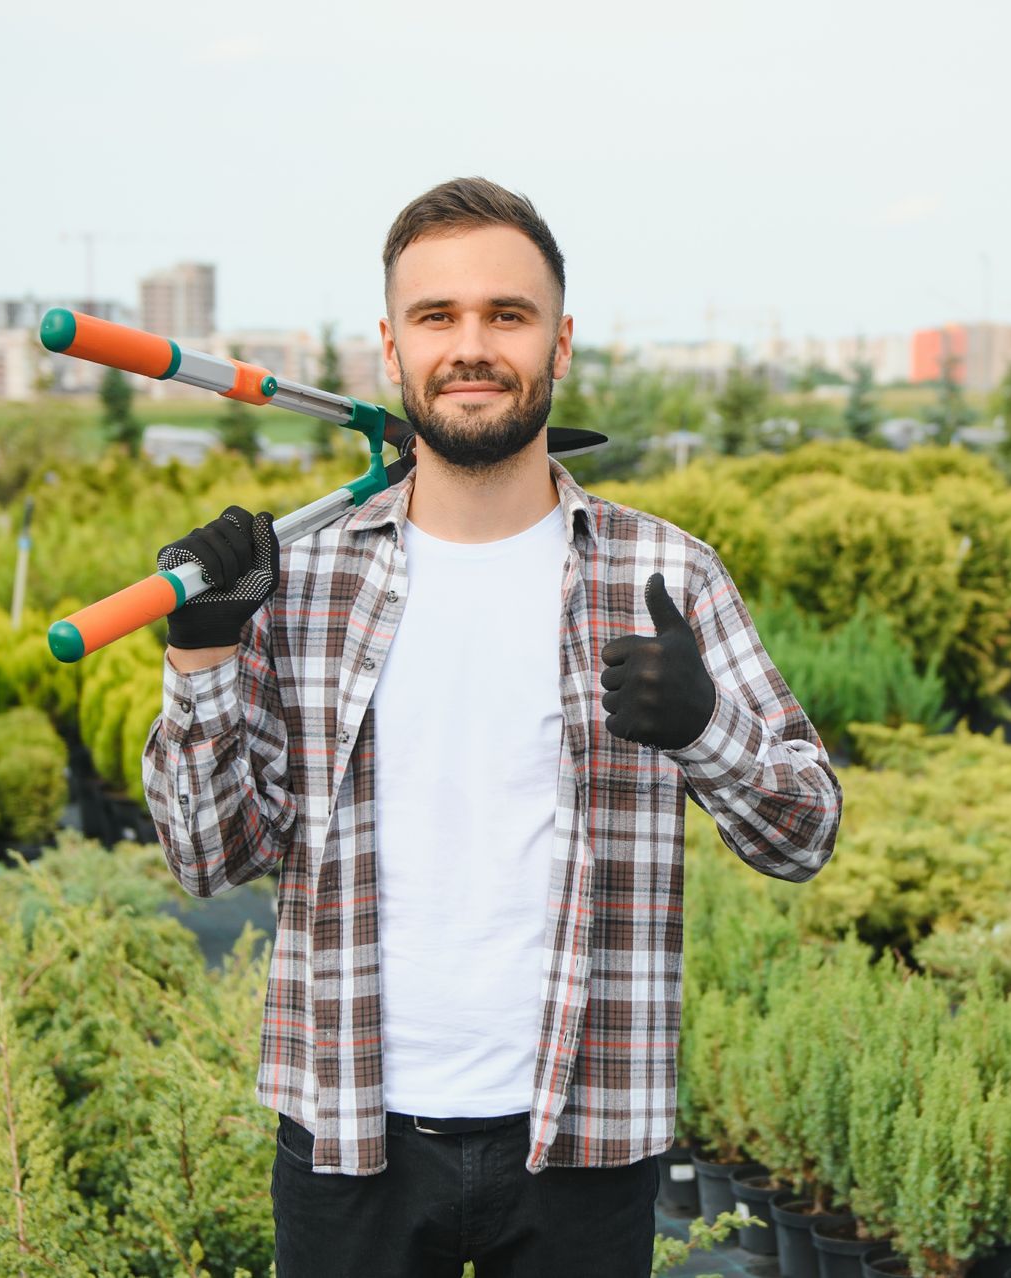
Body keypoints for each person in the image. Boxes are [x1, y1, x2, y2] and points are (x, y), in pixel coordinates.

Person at [141, 176, 841, 1278]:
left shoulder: (667, 572)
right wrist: (201, 662)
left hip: (586, 1136)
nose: (473, 345)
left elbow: (803, 835)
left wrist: (706, 728)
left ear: (561, 344)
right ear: (390, 349)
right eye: (439, 317)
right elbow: (204, 859)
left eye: (506, 315)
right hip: (344, 1129)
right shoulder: (306, 580)